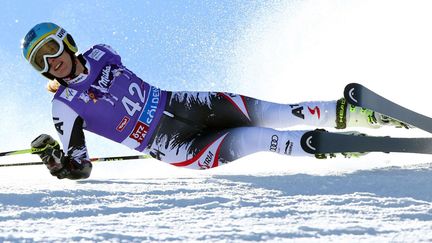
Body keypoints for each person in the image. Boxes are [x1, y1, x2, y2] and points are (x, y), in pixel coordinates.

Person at [22, 22, 409, 180]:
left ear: (66, 41)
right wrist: (55, 160)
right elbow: (80, 166)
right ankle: (342, 146)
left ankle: (358, 114)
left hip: (186, 103)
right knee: (259, 139)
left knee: (273, 112)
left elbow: (103, 76)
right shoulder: (64, 107)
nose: (50, 60)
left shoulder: (103, 53)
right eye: (40, 61)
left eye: (51, 48)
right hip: (174, 145)